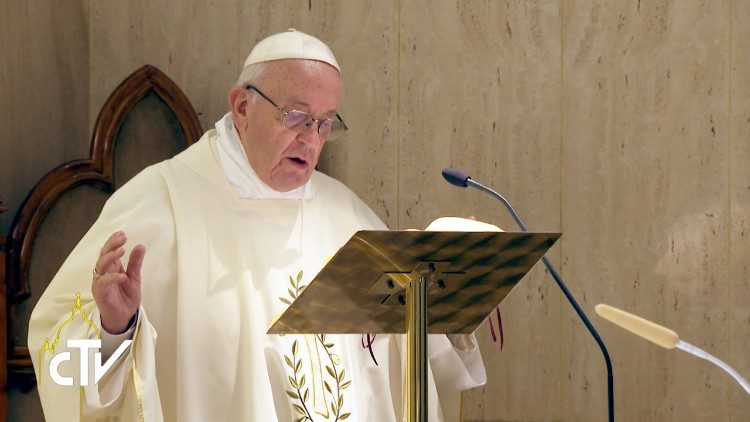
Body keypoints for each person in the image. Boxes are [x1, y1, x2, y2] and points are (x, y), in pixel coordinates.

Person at [29, 29, 486, 421]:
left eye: (326, 124)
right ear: (242, 107)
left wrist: (451, 285)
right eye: (296, 117)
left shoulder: (347, 214)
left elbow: (403, 360)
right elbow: (55, 352)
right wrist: (113, 329)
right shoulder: (161, 203)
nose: (310, 139)